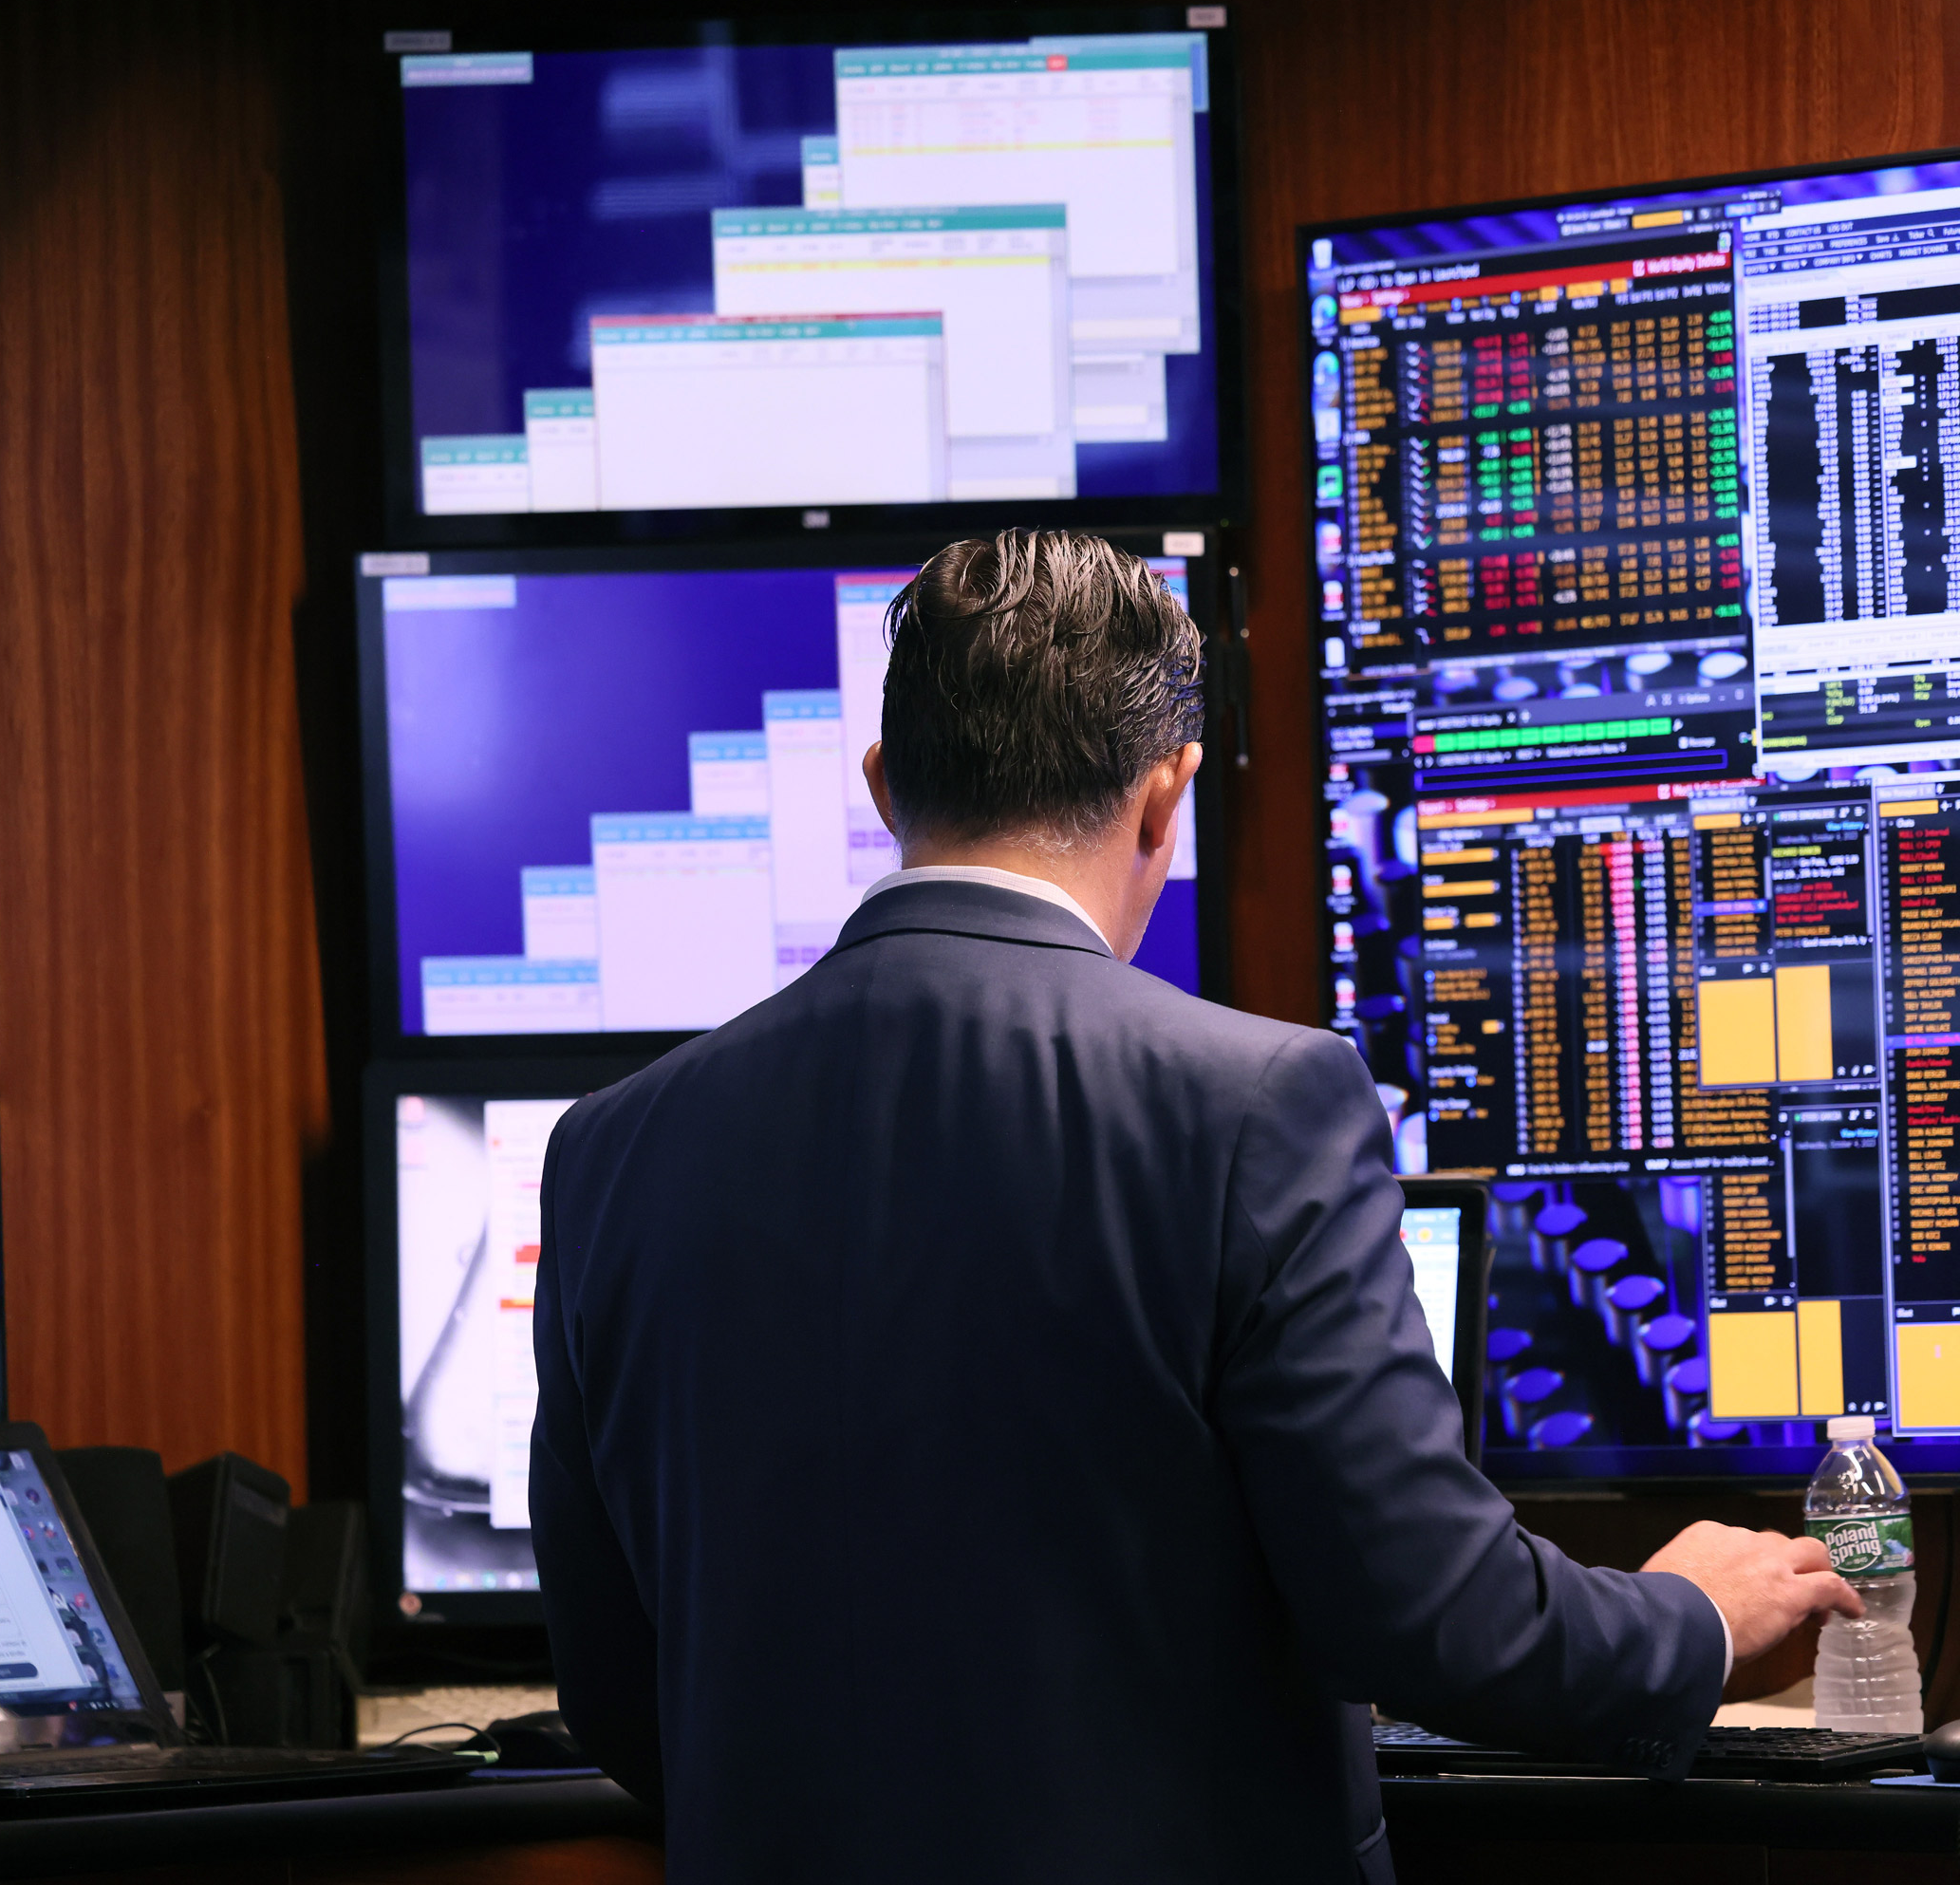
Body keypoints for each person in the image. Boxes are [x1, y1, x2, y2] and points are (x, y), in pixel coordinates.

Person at [529, 531, 1858, 1883]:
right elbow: (1434, 1617)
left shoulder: (611, 1149)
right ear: (1167, 796)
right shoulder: (1258, 1102)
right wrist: (1686, 1615)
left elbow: (618, 1691)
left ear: (884, 787)